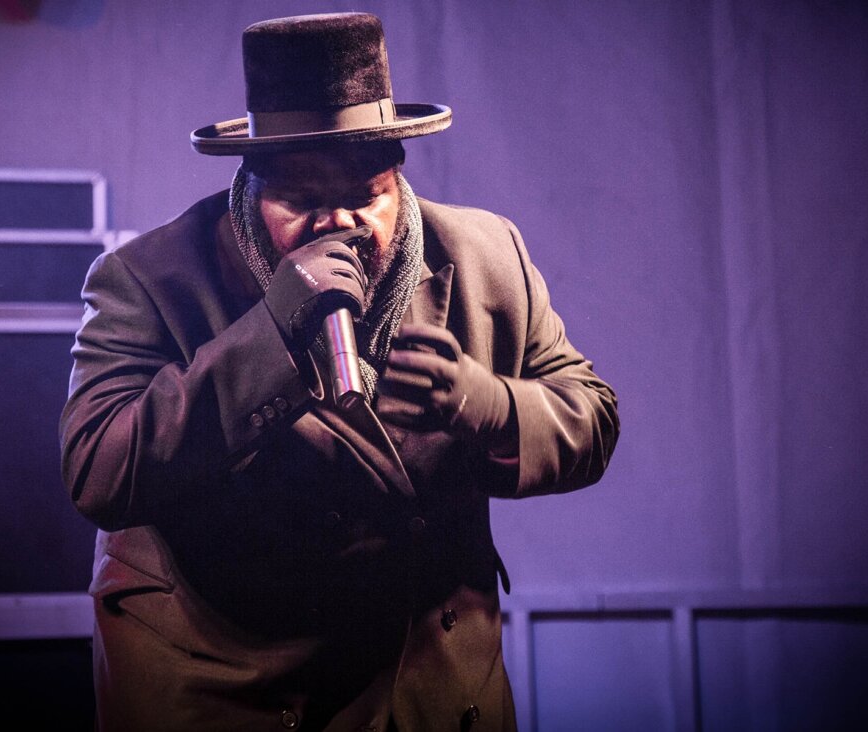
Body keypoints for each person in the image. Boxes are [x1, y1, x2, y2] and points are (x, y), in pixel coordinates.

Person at [60, 12, 618, 731]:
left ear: (398, 177)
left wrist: (488, 405)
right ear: (253, 188)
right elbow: (98, 472)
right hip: (232, 689)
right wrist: (274, 333)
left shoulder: (487, 254)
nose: (341, 224)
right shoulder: (148, 278)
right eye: (303, 201)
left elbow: (593, 417)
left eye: (366, 195)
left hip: (431, 681)